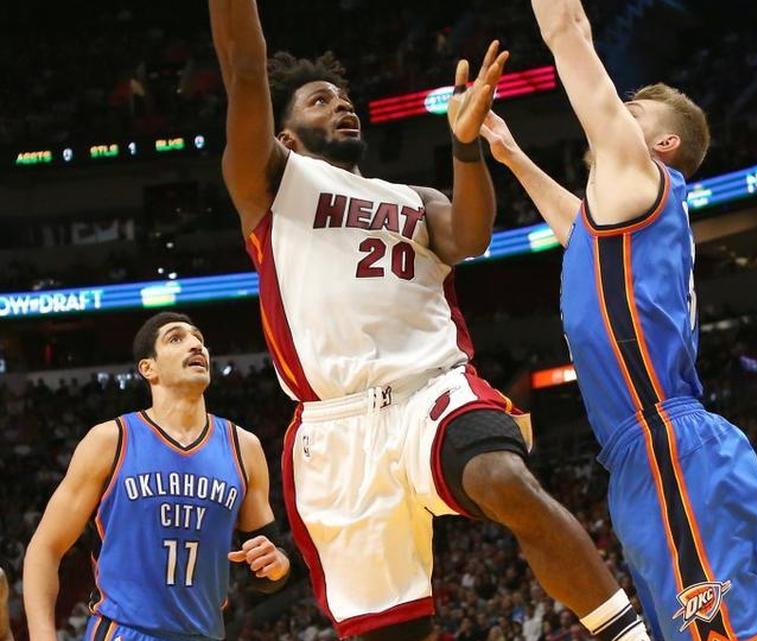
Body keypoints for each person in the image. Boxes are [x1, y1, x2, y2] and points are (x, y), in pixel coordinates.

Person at [207, 3, 651, 641]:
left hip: (430, 387)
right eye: (319, 101)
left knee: (503, 478)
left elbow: (469, 236)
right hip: (337, 428)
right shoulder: (269, 183)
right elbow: (245, 72)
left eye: (344, 97)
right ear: (286, 136)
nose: (341, 105)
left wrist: (464, 146)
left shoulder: (417, 200)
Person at [478, 1, 757, 639]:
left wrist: (561, 24)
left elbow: (568, 30)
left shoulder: (640, 174)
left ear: (662, 144)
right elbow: (578, 233)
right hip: (639, 454)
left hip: (669, 442)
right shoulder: (622, 222)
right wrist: (511, 155)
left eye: (629, 115)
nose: (612, 118)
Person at [23, 312, 290, 641]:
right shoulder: (112, 440)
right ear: (148, 368)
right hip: (124, 632)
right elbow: (44, 548)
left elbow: (268, 570)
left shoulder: (243, 447)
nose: (196, 345)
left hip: (205, 633)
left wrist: (276, 564)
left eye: (199, 339)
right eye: (176, 338)